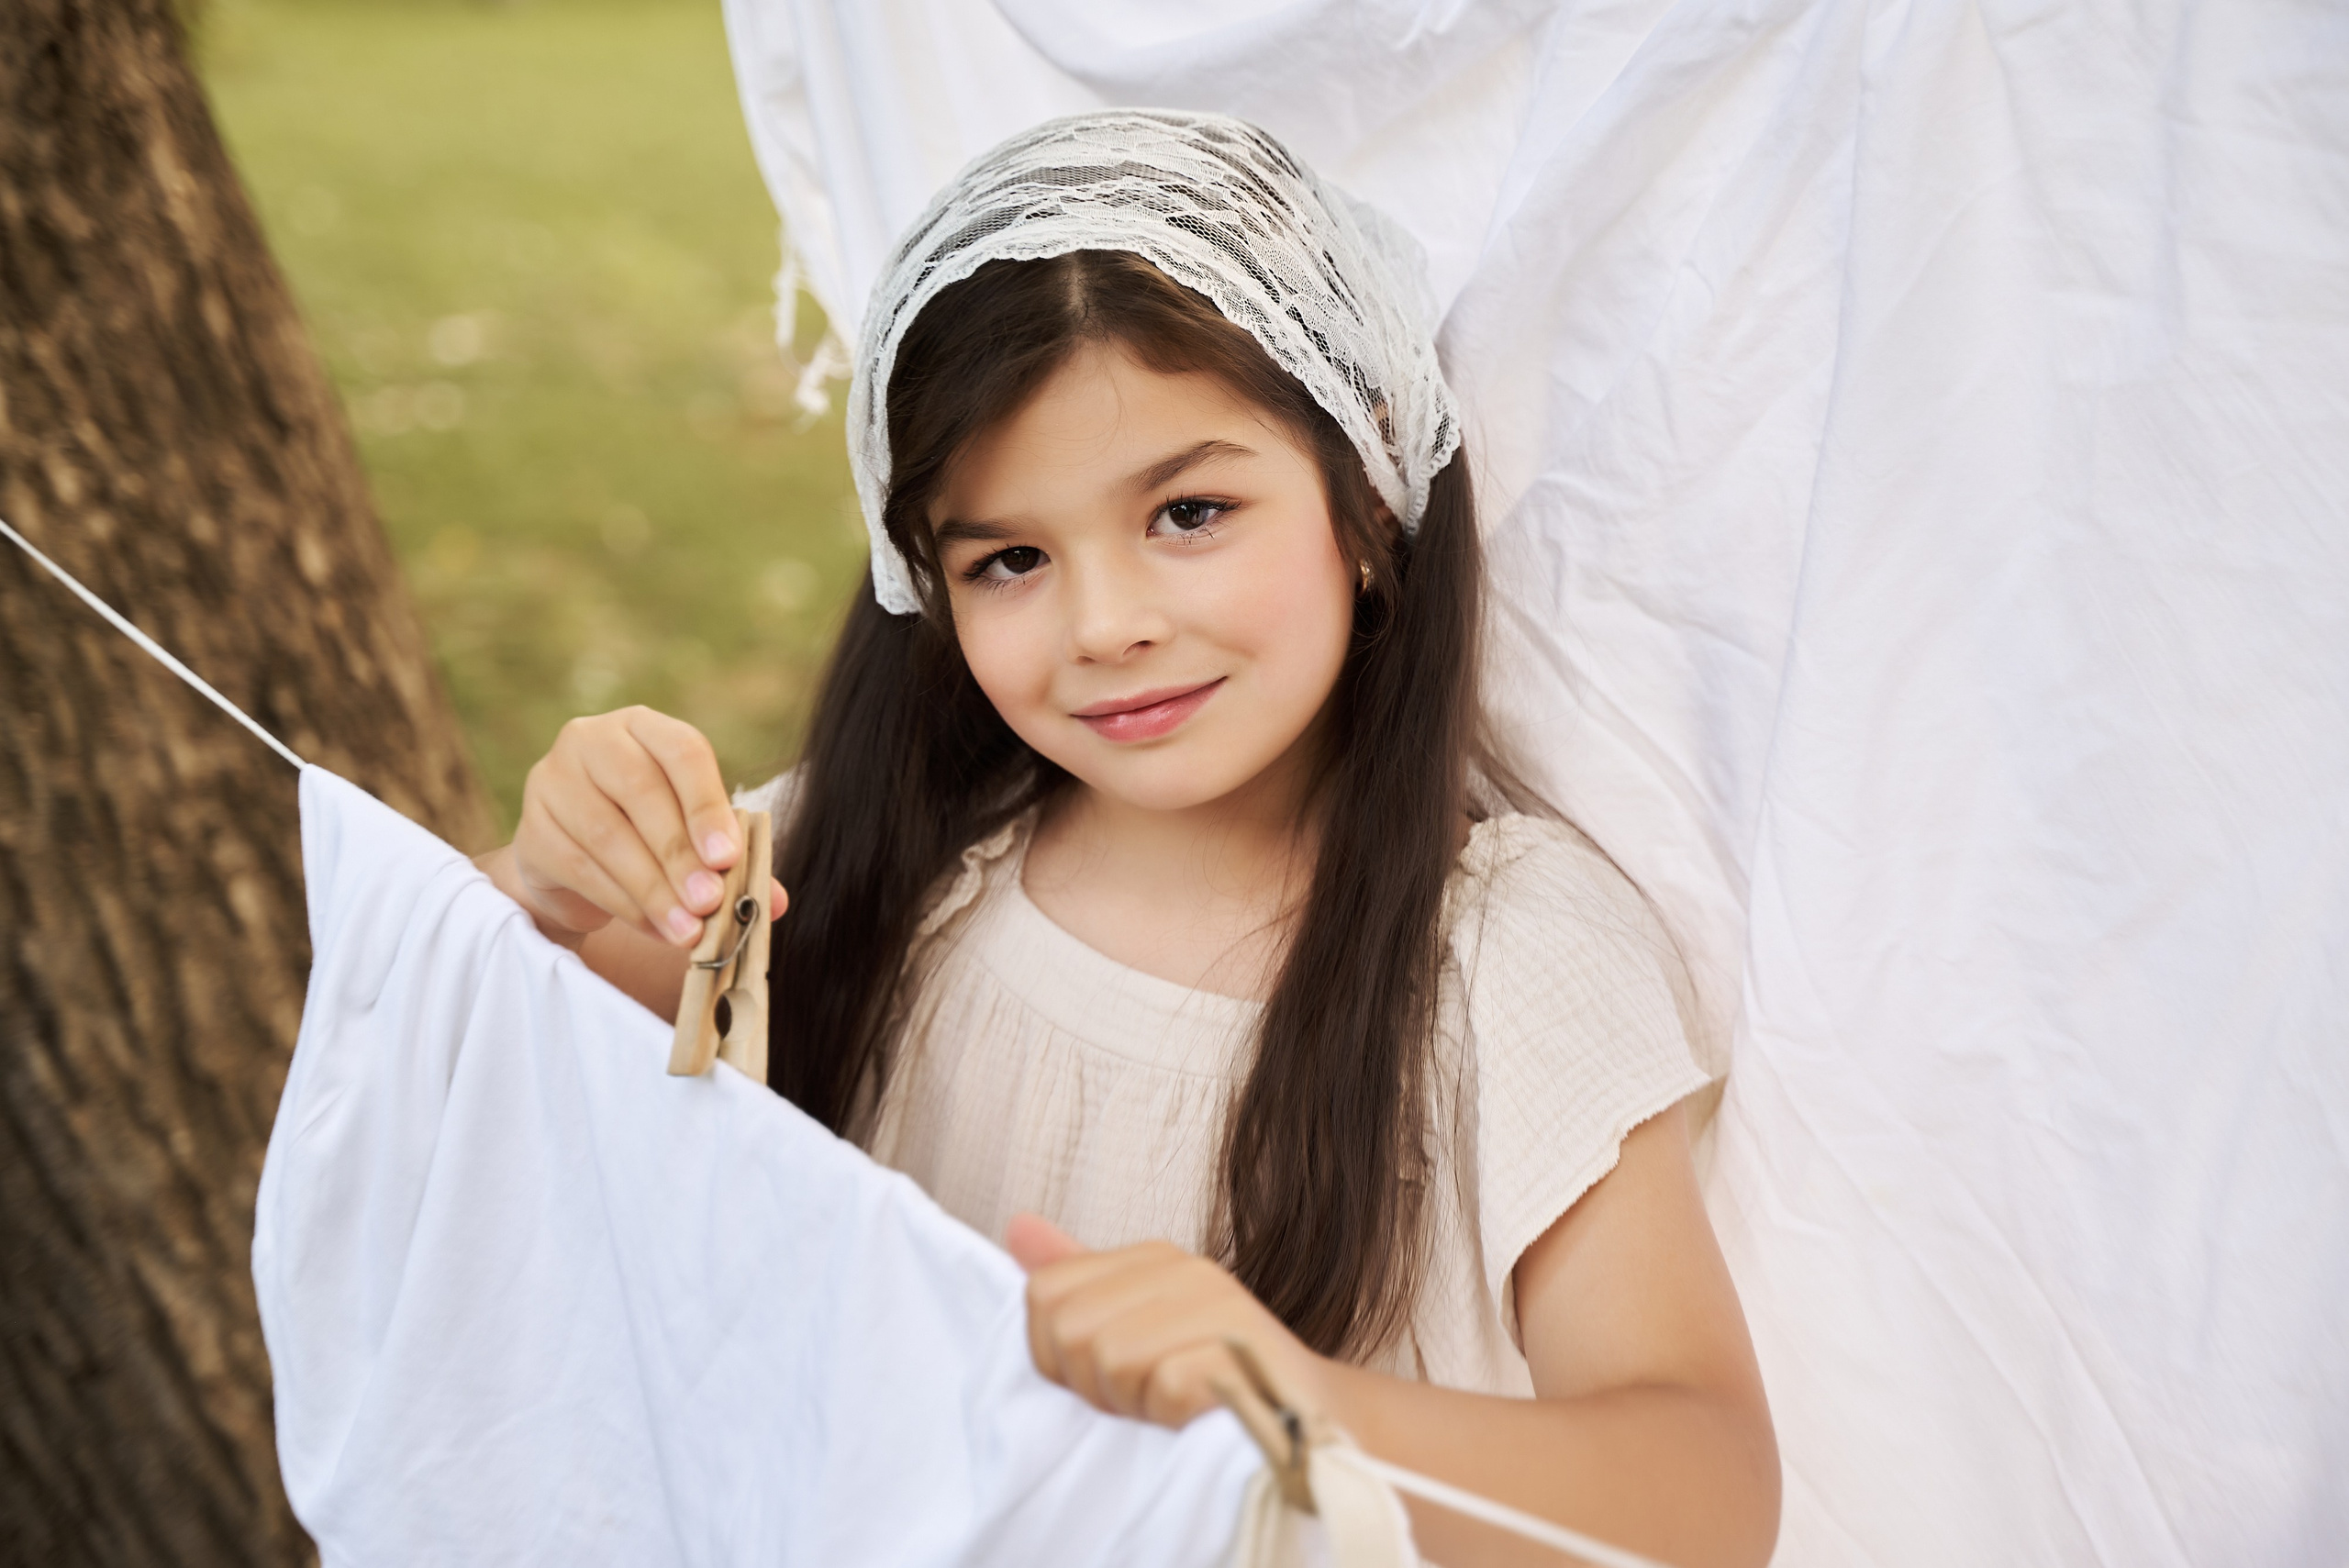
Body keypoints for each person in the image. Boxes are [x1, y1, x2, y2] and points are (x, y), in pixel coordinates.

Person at [477, 110, 1778, 1568]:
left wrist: (1298, 1404)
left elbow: (1707, 1489)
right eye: (1013, 559)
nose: (1107, 626)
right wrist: (535, 890)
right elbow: (500, 1091)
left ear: (1366, 496)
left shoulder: (1500, 954)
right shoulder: (874, 861)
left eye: (1190, 510)